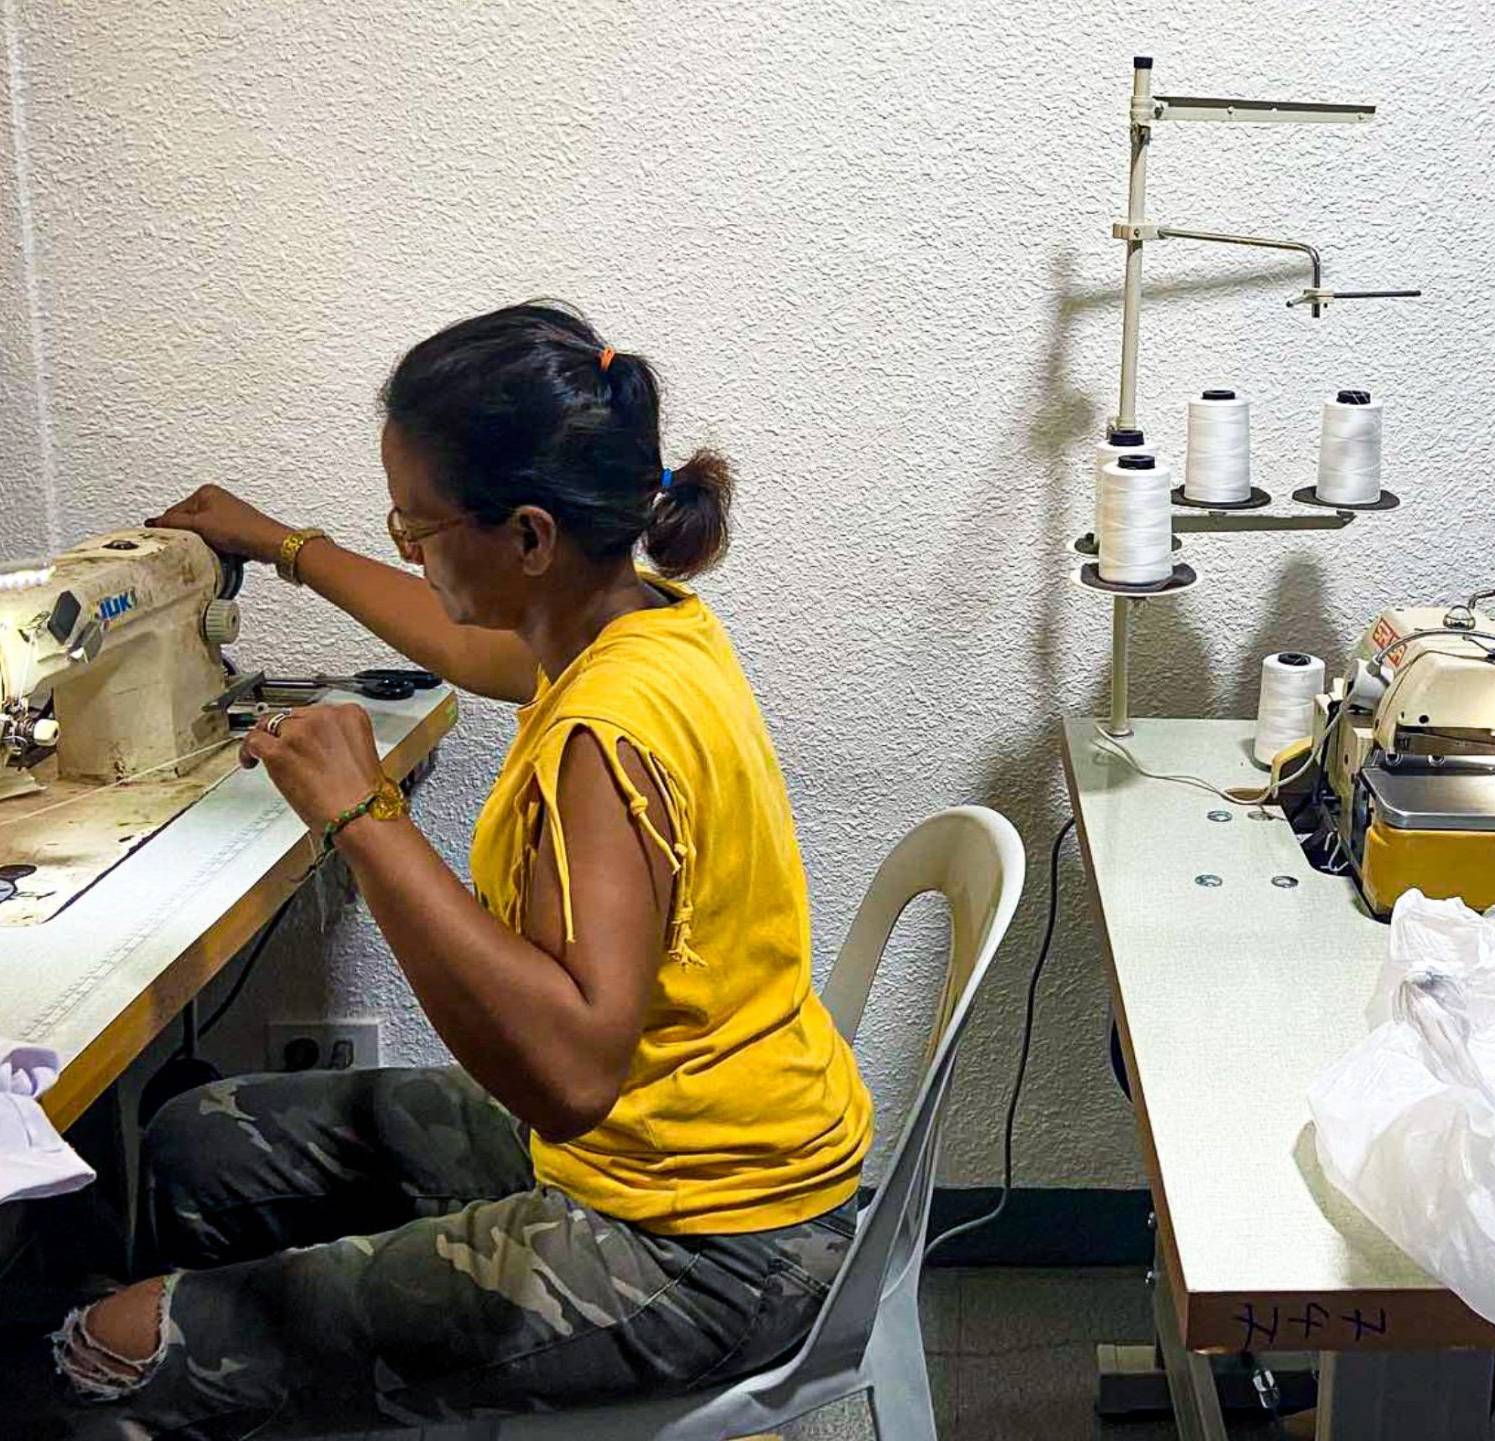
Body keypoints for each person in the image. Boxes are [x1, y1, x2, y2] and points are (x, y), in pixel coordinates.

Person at [37, 302, 874, 1436]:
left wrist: (367, 817)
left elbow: (569, 1079)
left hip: (706, 1241)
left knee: (113, 1349)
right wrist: (283, 543)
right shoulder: (641, 622)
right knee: (198, 1143)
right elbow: (465, 643)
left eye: (419, 529)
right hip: (694, 1142)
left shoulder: (602, 735)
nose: (409, 550)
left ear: (527, 538)